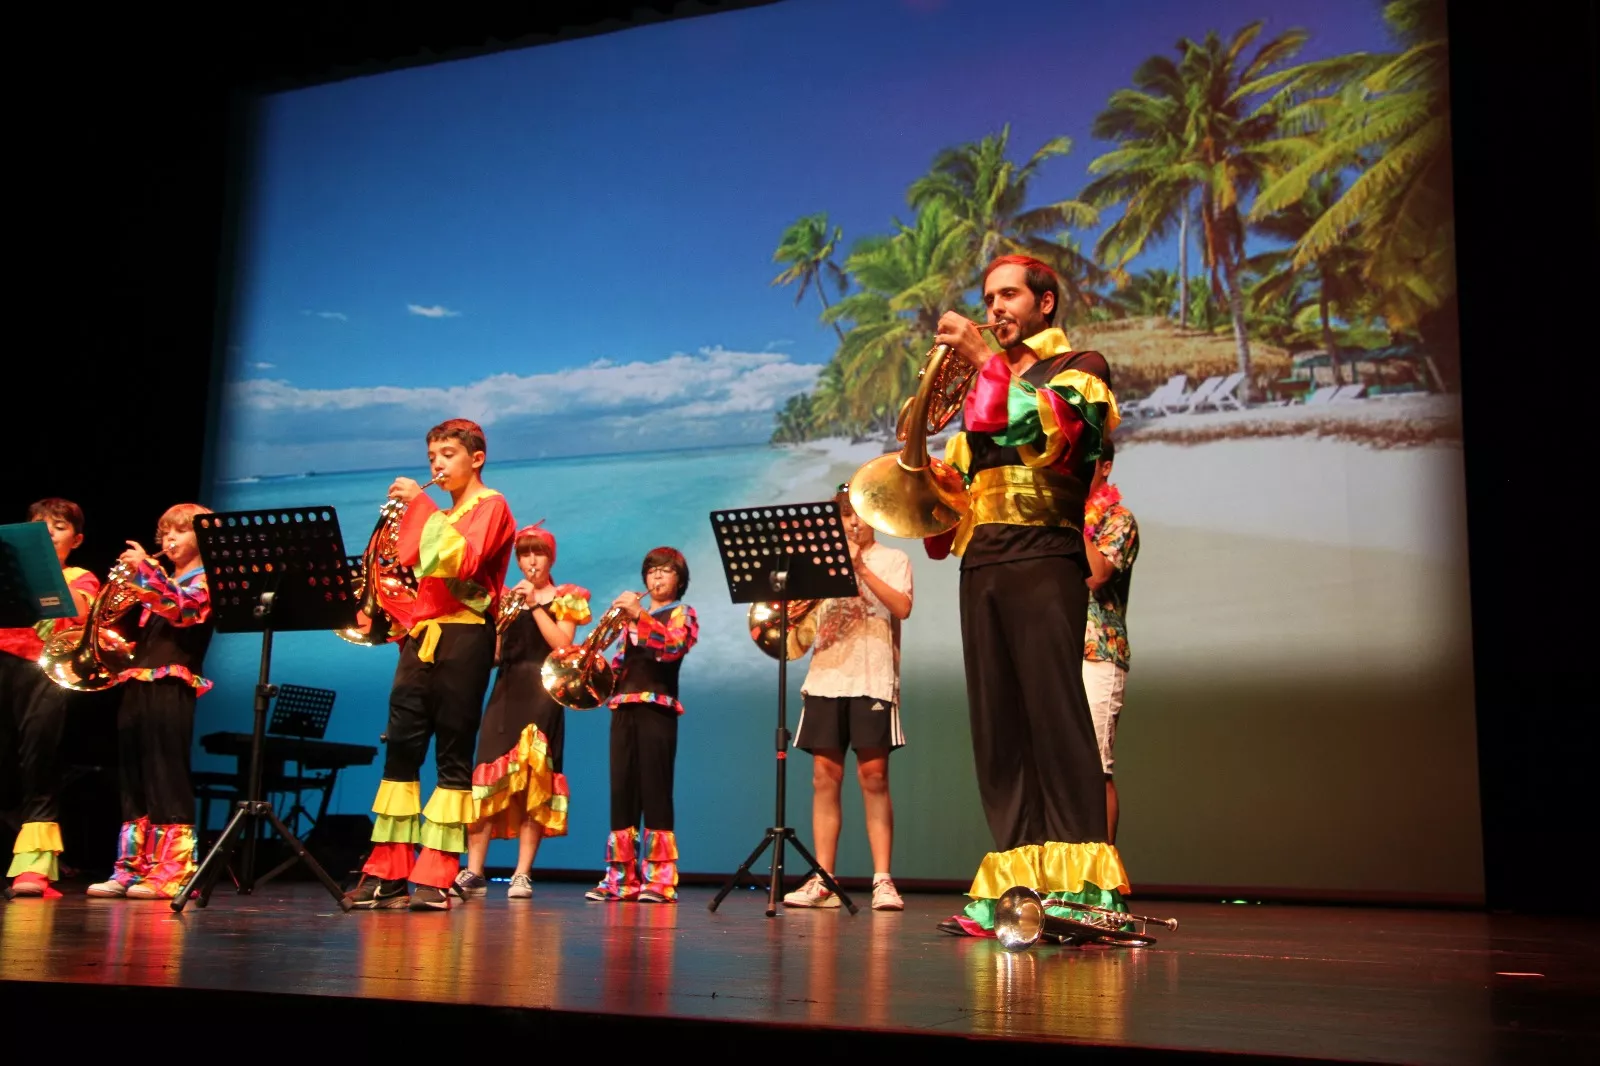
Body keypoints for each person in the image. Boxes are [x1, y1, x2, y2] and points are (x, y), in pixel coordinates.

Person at [921, 254, 1130, 937]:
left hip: (1044, 554)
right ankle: (1016, 891)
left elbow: (1054, 439)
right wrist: (922, 476)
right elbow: (954, 482)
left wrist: (986, 361)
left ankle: (1081, 894)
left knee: (1055, 717)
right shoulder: (989, 378)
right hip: (982, 560)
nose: (995, 307)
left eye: (1009, 295)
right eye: (988, 297)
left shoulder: (1082, 368)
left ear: (1046, 303)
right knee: (998, 727)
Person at [348, 418, 516, 912]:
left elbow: (461, 561)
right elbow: (409, 567)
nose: (437, 464)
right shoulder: (442, 512)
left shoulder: (492, 506)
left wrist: (417, 506)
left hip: (466, 635)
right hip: (420, 636)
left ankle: (437, 873)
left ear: (476, 458)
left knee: (452, 753)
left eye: (447, 454)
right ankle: (389, 872)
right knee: (401, 749)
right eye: (432, 458)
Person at [782, 485, 913, 912]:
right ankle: (823, 879)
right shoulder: (818, 566)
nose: (854, 523)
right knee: (824, 778)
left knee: (874, 778)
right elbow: (796, 628)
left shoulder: (893, 560)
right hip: (825, 678)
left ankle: (883, 879)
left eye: (861, 516)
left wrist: (861, 568)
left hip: (872, 679)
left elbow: (902, 607)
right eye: (846, 515)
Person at [454, 523, 590, 901]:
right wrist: (500, 623)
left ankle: (521, 873)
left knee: (536, 781)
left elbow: (563, 646)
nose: (531, 561)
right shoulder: (505, 597)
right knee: (484, 780)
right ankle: (474, 869)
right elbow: (495, 656)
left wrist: (533, 605)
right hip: (506, 690)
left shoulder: (565, 597)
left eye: (538, 553)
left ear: (550, 557)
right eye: (524, 554)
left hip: (545, 691)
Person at [87, 503, 215, 899]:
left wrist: (147, 571)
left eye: (180, 532)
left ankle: (173, 872)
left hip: (171, 684)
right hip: (136, 683)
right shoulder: (153, 583)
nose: (170, 540)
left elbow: (184, 609)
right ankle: (130, 868)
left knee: (165, 775)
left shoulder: (205, 579)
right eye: (166, 533)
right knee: (134, 778)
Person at [586, 547, 698, 904]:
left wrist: (639, 618)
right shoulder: (630, 621)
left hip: (658, 709)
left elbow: (673, 647)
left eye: (666, 572)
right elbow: (620, 664)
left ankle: (660, 880)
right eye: (652, 572)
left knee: (655, 791)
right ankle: (620, 879)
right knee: (622, 794)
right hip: (623, 708)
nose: (657, 578)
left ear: (679, 579)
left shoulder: (682, 613)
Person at [2, 499, 100, 897]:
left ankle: (34, 868)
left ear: (75, 539)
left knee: (38, 763)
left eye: (57, 528)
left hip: (43, 672)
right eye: (38, 527)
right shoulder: (9, 574)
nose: (46, 534)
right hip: (3, 662)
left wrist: (44, 570)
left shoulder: (80, 575)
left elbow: (78, 612)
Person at [1082, 437, 1138, 844]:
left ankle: (1100, 876)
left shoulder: (1119, 520)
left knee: (1094, 767)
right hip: (1057, 652)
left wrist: (1072, 521)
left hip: (1099, 653)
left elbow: (1097, 573)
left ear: (1105, 467)